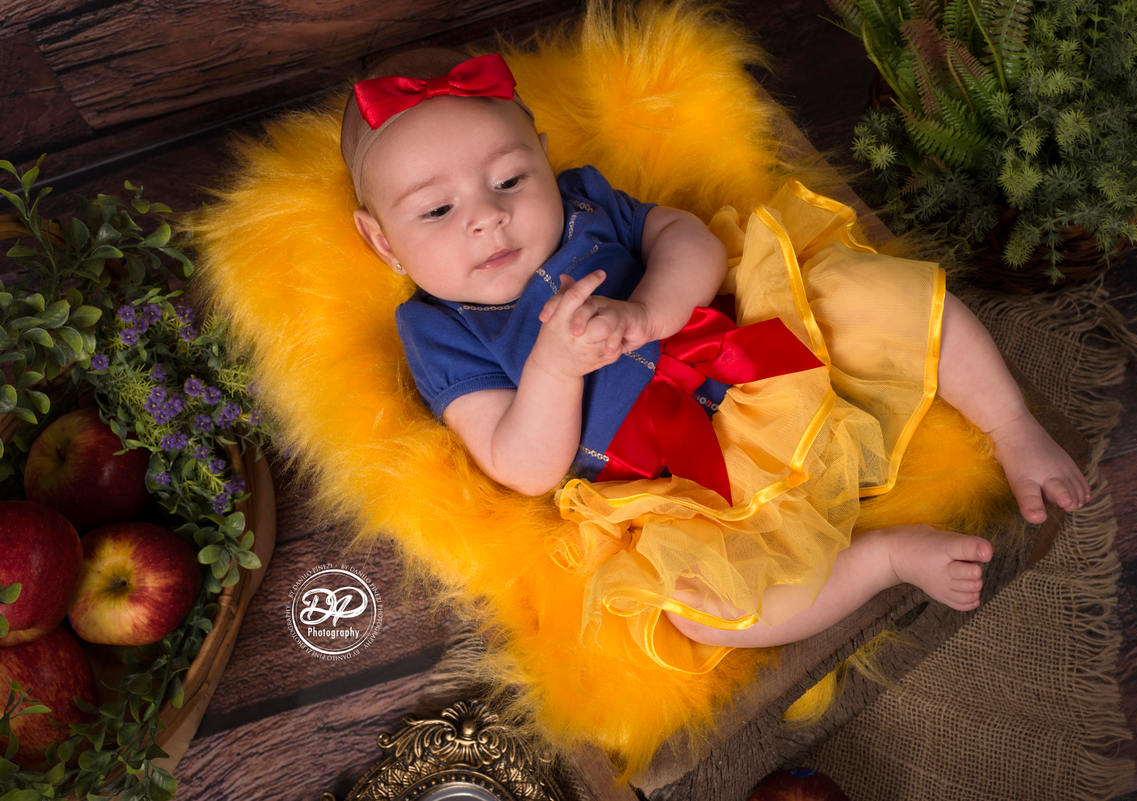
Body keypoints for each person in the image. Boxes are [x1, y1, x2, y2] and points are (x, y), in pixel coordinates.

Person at [341, 48, 1090, 664]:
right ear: (381, 242)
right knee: (705, 608)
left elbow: (689, 239)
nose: (487, 217)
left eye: (509, 179)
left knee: (880, 298)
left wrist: (650, 311)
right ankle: (885, 560)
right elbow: (521, 462)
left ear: (543, 157)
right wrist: (554, 367)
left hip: (742, 345)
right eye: (437, 210)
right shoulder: (436, 328)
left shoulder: (586, 201)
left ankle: (1011, 423)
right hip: (677, 481)